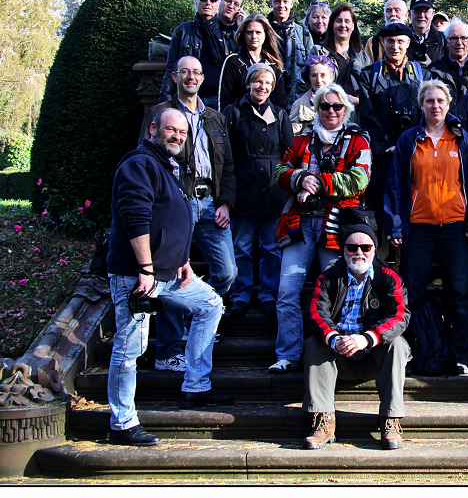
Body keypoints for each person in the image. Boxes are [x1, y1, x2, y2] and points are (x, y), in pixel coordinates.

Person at [106, 108, 233, 446]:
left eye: (182, 132)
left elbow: (170, 219)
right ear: (152, 129)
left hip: (170, 272)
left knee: (210, 304)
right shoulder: (139, 164)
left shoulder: (167, 167)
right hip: (138, 275)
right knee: (130, 347)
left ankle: (195, 386)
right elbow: (135, 217)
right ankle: (122, 422)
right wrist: (146, 269)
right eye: (171, 130)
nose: (177, 136)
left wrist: (183, 259)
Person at [141, 56, 237, 373]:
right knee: (171, 276)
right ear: (175, 76)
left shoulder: (215, 118)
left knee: (227, 273)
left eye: (197, 71)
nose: (192, 76)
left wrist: (225, 202)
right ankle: (168, 350)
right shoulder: (160, 114)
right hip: (176, 202)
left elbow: (229, 165)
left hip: (210, 202)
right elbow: (147, 158)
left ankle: (199, 312)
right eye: (185, 71)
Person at [273, 84, 372, 374]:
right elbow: (280, 172)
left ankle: (337, 353)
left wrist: (316, 185)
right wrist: (300, 178)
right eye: (325, 106)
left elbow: (360, 179)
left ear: (346, 110)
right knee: (287, 291)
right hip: (299, 225)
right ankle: (289, 354)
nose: (331, 111)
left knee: (338, 292)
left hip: (336, 228)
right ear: (316, 109)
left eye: (337, 106)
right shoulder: (302, 139)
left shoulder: (358, 141)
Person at [384, 80, 468, 375]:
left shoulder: (461, 139)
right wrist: (396, 225)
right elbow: (396, 185)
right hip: (419, 226)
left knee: (459, 292)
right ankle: (417, 349)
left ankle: (460, 354)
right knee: (412, 291)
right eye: (429, 101)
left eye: (440, 101)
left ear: (448, 103)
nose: (435, 106)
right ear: (421, 104)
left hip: (455, 225)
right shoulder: (408, 140)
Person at [301, 224, 411, 450]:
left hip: (373, 354)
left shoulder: (389, 278)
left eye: (365, 247)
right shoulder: (328, 278)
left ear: (374, 250)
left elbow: (400, 315)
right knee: (314, 343)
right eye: (352, 247)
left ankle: (390, 420)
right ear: (343, 250)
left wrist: (367, 338)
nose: (358, 253)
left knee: (398, 345)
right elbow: (314, 313)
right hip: (337, 354)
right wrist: (333, 338)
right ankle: (323, 421)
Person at [222, 63, 294, 322]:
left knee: (272, 248)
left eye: (267, 83)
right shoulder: (233, 113)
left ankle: (268, 295)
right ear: (249, 83)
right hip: (243, 189)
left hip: (273, 192)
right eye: (258, 82)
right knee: (241, 247)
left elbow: (290, 152)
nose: (262, 87)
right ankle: (240, 295)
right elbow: (225, 153)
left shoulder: (281, 115)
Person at [357, 22, 430, 223]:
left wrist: (414, 144)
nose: (395, 47)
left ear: (408, 43)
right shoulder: (369, 75)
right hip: (383, 155)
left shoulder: (423, 75)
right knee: (380, 208)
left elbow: (431, 113)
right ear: (382, 42)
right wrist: (388, 146)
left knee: (414, 208)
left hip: (416, 152)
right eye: (390, 41)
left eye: (400, 41)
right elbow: (366, 115)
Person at [160, 0, 240, 109]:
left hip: (219, 98)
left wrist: (240, 26)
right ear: (196, 2)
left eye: (213, 0)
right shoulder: (183, 30)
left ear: (218, 4)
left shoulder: (228, 33)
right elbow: (171, 67)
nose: (208, 3)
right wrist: (164, 100)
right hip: (189, 95)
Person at [218, 13, 286, 109]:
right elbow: (225, 100)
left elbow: (280, 102)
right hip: (239, 120)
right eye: (249, 32)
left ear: (265, 34)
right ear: (243, 34)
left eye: (258, 32)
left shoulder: (274, 66)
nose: (254, 36)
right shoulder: (233, 62)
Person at [268, 0, 317, 108]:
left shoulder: (304, 34)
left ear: (291, 4)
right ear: (270, 3)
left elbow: (313, 68)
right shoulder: (262, 31)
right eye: (277, 1)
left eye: (285, 1)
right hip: (267, 99)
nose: (281, 5)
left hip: (297, 101)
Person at [320, 3, 363, 111]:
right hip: (328, 113)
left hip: (356, 115)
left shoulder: (363, 57)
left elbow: (370, 91)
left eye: (347, 21)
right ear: (332, 24)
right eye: (339, 21)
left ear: (353, 26)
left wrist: (358, 100)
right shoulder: (319, 52)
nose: (343, 25)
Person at [429, 18, 468, 107]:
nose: (459, 43)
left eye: (464, 38)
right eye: (454, 38)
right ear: (446, 41)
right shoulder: (434, 70)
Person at [354, 0, 408, 72]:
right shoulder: (373, 43)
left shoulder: (414, 40)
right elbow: (367, 71)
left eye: (397, 10)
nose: (393, 14)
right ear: (384, 15)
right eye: (389, 11)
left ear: (406, 15)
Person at [290, 55, 338, 135]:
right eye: (314, 76)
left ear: (331, 77)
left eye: (323, 75)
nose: (318, 80)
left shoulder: (343, 102)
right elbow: (292, 136)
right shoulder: (299, 105)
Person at [407, 0, 447, 66]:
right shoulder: (401, 39)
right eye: (417, 11)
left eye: (426, 11)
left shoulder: (444, 39)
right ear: (409, 14)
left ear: (432, 14)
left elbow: (452, 69)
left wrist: (432, 65)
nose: (421, 15)